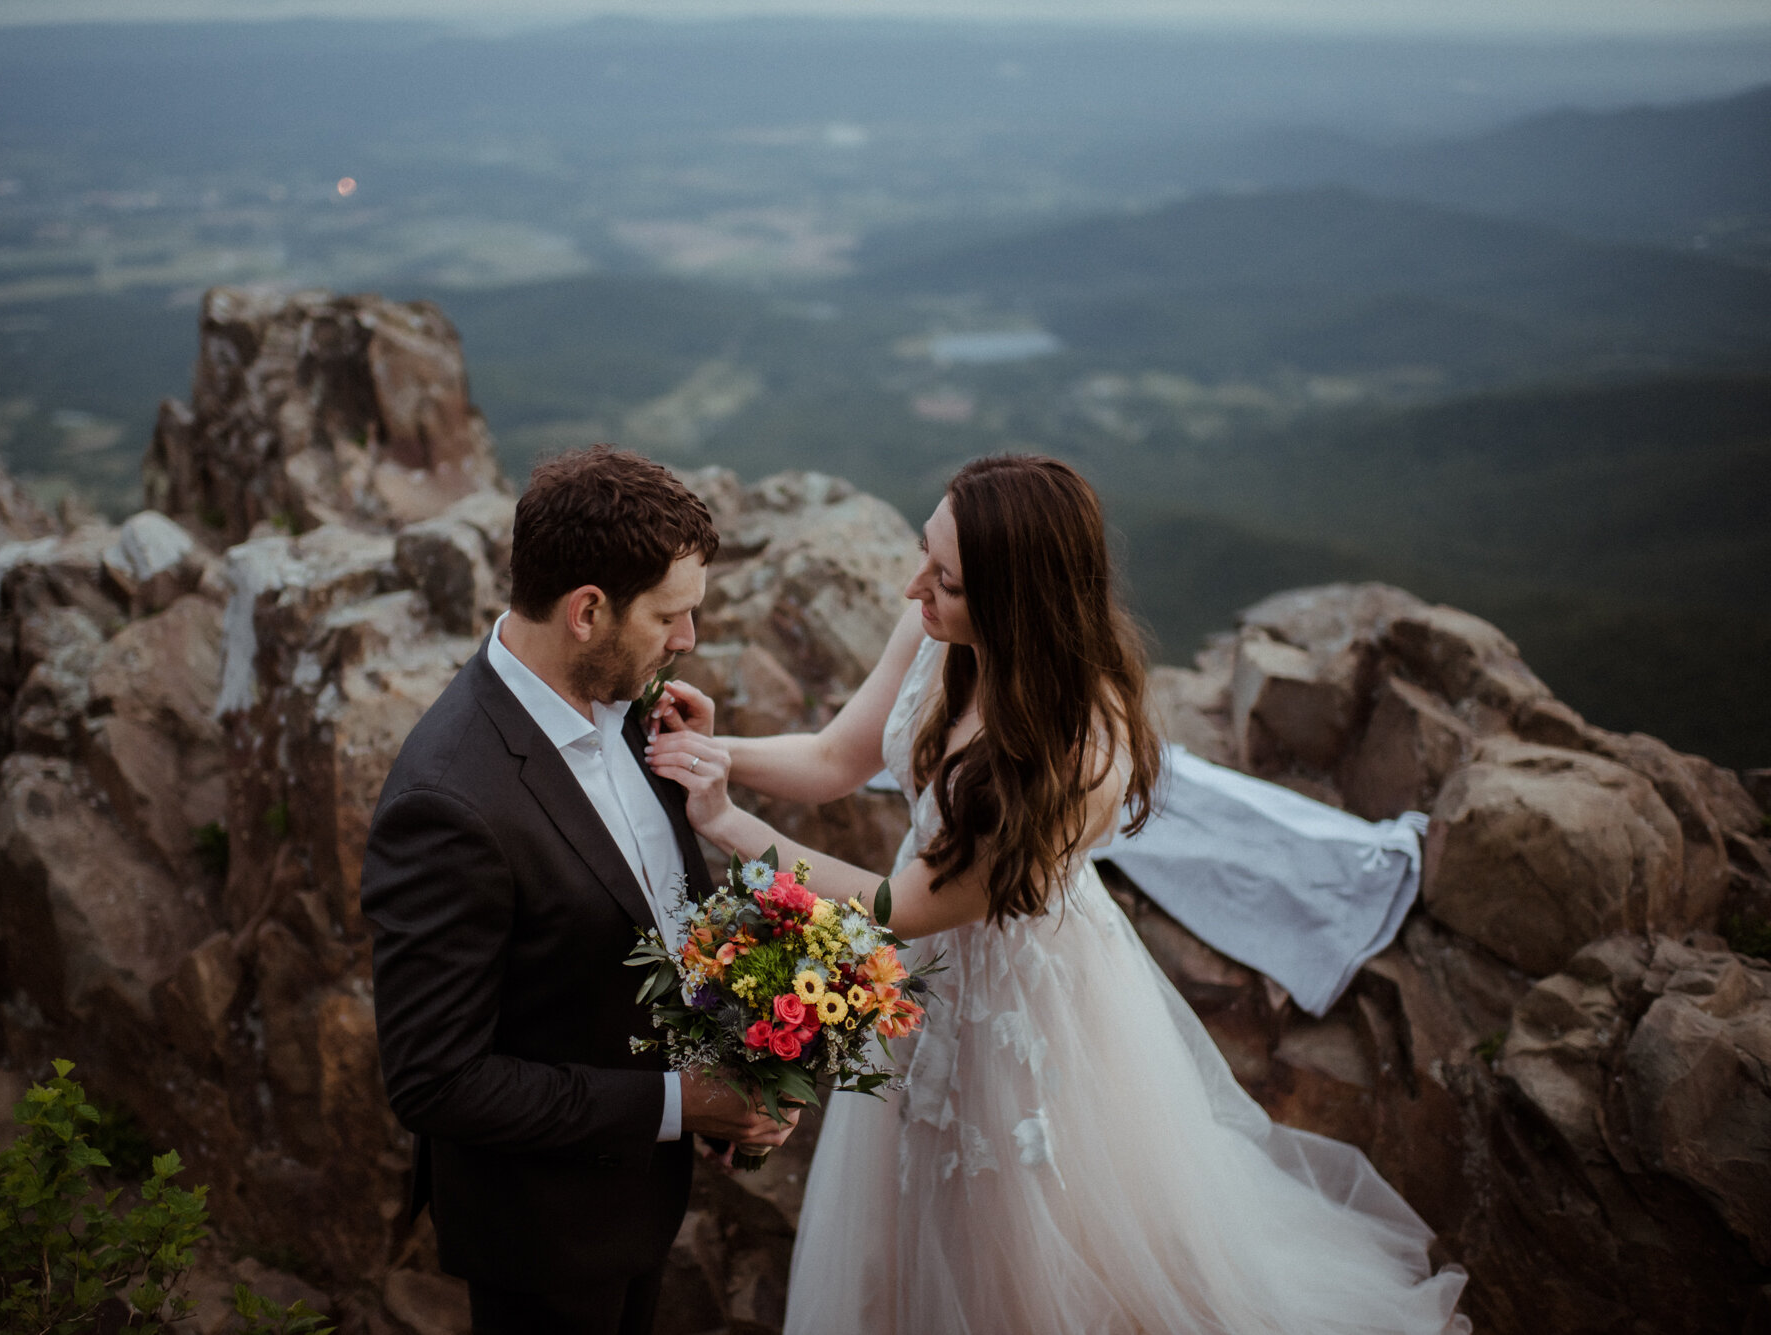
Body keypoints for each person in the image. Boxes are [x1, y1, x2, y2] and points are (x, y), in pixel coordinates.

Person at [646, 454, 1470, 1334]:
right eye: (926, 551)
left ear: (1014, 605)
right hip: (916, 983)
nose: (914, 585)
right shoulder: (936, 626)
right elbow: (840, 756)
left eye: (947, 579)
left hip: (1016, 1012)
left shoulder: (1073, 751)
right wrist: (718, 752)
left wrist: (728, 824)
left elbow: (898, 910)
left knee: (1021, 1241)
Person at [361, 445, 798, 1335]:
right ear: (587, 611)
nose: (688, 642)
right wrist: (683, 1101)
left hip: (642, 1197)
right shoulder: (447, 802)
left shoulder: (630, 698)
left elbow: (637, 919)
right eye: (671, 617)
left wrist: (736, 1076)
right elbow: (437, 1080)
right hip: (544, 1239)